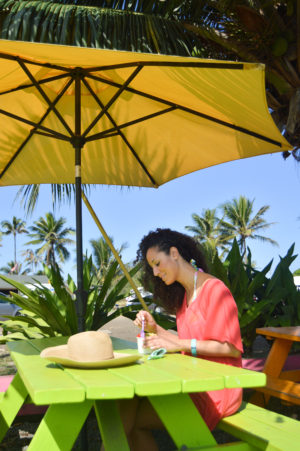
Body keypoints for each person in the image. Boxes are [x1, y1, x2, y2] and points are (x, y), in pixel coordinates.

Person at [119, 228, 243, 451]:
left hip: (217, 389)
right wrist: (156, 329)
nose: (155, 272)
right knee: (127, 404)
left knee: (130, 418)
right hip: (193, 383)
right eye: (152, 267)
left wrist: (179, 345)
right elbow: (187, 341)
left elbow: (231, 348)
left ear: (174, 253)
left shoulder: (214, 290)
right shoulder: (186, 295)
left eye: (157, 263)